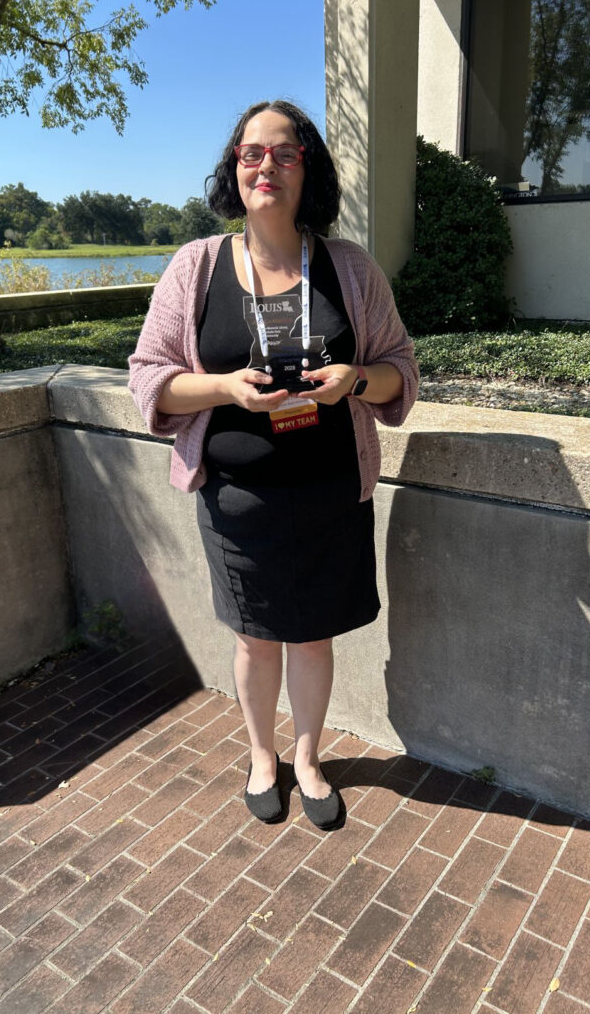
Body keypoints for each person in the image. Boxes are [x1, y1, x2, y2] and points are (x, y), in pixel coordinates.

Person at [128, 100, 418, 830]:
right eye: (252, 153)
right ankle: (263, 757)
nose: (267, 167)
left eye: (285, 154)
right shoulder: (195, 266)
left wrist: (356, 378)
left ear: (306, 169)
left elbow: (399, 369)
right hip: (237, 500)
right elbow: (148, 375)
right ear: (235, 169)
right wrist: (225, 389)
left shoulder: (349, 268)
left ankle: (310, 757)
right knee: (256, 640)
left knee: (313, 637)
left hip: (330, 496)